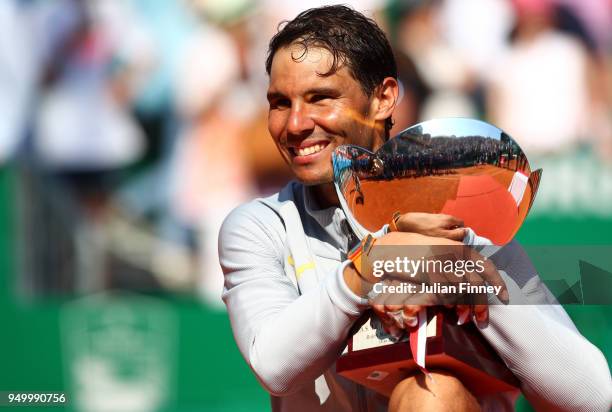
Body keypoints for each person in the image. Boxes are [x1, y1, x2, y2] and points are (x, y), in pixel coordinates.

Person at [218, 5, 612, 412]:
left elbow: (593, 398)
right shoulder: (259, 226)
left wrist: (464, 276)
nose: (295, 123)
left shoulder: (464, 222)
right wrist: (369, 268)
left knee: (434, 392)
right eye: (280, 102)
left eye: (320, 98)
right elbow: (274, 366)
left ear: (383, 99)